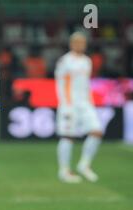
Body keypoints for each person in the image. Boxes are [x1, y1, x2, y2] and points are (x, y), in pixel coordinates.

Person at [55, 32, 102, 183]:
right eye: (77, 42)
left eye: (83, 42)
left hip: (86, 104)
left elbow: (86, 84)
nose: (81, 45)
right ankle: (64, 170)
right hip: (69, 104)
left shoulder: (87, 61)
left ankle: (84, 165)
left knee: (97, 131)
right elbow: (60, 84)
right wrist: (65, 104)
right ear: (72, 44)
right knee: (68, 136)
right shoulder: (65, 61)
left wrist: (91, 102)